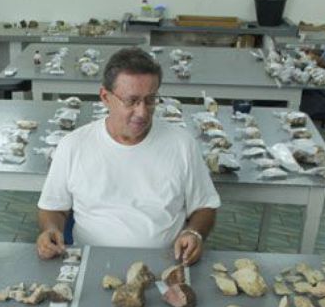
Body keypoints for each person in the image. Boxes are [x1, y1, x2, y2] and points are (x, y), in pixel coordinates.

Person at [36, 48, 220, 265]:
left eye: (150, 100)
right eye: (131, 101)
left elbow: (204, 206)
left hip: (165, 262)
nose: (142, 112)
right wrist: (50, 229)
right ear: (105, 97)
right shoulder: (73, 146)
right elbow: (53, 207)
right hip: (89, 259)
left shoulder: (181, 144)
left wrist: (195, 233)